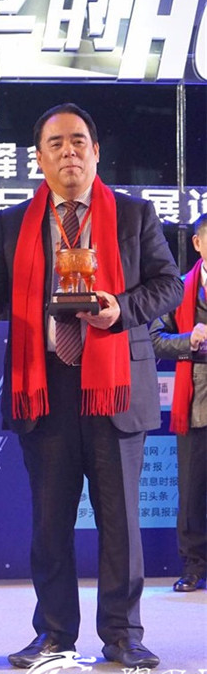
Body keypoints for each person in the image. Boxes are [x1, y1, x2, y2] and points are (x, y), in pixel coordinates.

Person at [0, 103, 184, 669]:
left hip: (115, 385)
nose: (69, 151)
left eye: (78, 140)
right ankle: (54, 634)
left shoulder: (133, 214)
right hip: (45, 386)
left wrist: (119, 309)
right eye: (55, 143)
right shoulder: (15, 223)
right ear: (39, 158)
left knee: (120, 522)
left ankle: (123, 634)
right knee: (50, 523)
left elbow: (169, 285)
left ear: (96, 151)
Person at [150, 213, 207, 593]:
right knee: (191, 494)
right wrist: (189, 339)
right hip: (196, 402)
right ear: (198, 243)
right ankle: (194, 567)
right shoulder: (179, 290)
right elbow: (154, 339)